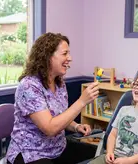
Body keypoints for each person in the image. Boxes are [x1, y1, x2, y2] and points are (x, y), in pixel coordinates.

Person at [6, 32, 99, 164]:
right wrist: (82, 101)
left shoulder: (59, 83)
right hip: (31, 154)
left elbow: (60, 117)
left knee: (96, 155)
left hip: (57, 149)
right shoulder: (29, 86)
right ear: (48, 57)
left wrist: (76, 126)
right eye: (64, 53)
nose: (70, 58)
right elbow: (50, 128)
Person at [89, 71, 138, 164]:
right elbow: (113, 134)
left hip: (137, 161)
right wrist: (109, 152)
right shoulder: (124, 110)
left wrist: (129, 160)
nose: (137, 87)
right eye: (136, 84)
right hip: (114, 156)